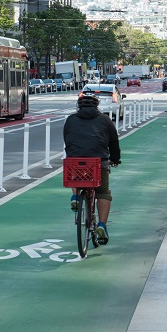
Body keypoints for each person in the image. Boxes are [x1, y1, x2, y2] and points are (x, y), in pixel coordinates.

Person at [63, 93, 121, 245]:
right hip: (98, 162)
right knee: (102, 192)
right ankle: (102, 225)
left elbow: (66, 139)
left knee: (75, 173)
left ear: (79, 106)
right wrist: (115, 159)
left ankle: (75, 197)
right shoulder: (105, 120)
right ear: (97, 106)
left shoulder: (71, 120)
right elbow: (114, 142)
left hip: (74, 160)